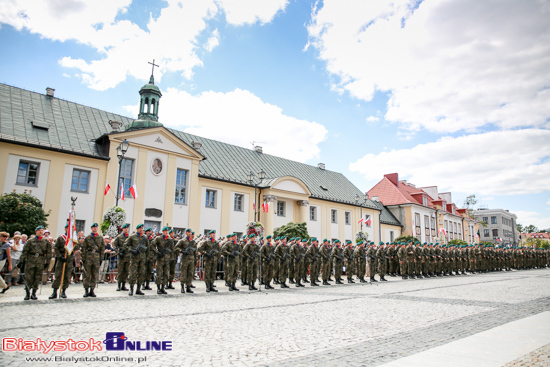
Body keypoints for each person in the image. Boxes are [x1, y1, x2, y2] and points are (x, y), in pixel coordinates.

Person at [17, 226, 51, 300]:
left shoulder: (46, 241)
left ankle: (34, 293)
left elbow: (48, 252)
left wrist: (47, 262)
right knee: (29, 277)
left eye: (42, 230)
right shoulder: (30, 241)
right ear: (36, 231)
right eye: (39, 230)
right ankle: (27, 293)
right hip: (31, 261)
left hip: (40, 261)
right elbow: (25, 251)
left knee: (37, 278)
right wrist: (21, 261)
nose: (40, 232)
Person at [49, 223, 78, 299]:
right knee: (58, 275)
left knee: (67, 275)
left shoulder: (73, 238)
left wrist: (75, 240)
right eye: (68, 228)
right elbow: (56, 248)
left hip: (69, 258)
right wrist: (59, 256)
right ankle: (54, 291)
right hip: (62, 257)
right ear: (65, 229)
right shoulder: (61, 237)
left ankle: (63, 291)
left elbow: (77, 247)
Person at [123, 224, 148, 296]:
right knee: (133, 273)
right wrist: (131, 250)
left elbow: (147, 248)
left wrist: (147, 258)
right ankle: (131, 289)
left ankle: (138, 289)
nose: (141, 230)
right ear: (137, 229)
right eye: (140, 228)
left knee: (141, 273)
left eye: (142, 228)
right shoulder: (132, 236)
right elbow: (125, 245)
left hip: (142, 258)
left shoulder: (145, 237)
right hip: (134, 258)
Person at [81, 223, 104, 297]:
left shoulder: (100, 237)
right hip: (88, 257)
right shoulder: (88, 237)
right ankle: (86, 290)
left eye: (96, 227)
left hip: (96, 258)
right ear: (91, 228)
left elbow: (102, 248)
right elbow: (83, 248)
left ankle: (92, 290)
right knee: (86, 274)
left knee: (95, 274)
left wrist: (101, 258)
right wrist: (83, 258)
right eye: (94, 227)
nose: (95, 228)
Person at [151, 226, 173, 295]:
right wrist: (157, 252)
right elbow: (152, 245)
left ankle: (163, 287)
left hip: (167, 259)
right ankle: (158, 288)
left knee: (166, 274)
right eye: (165, 231)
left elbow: (172, 250)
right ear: (163, 232)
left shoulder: (170, 240)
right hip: (160, 258)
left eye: (167, 231)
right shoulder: (158, 238)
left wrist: (171, 259)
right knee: (159, 274)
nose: (166, 232)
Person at [176, 229, 196, 293]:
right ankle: (182, 287)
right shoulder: (182, 241)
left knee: (190, 273)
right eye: (189, 232)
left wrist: (196, 259)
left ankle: (188, 287)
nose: (190, 233)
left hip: (191, 259)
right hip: (185, 259)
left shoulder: (193, 241)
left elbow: (195, 250)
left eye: (191, 232)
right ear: (186, 233)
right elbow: (176, 247)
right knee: (183, 273)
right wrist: (182, 251)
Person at [113, 224, 130, 291]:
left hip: (128, 256)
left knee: (126, 271)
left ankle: (124, 285)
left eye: (127, 228)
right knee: (120, 271)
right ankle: (119, 285)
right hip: (121, 256)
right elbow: (114, 245)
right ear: (122, 229)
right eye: (125, 228)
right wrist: (118, 252)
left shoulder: (130, 237)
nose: (126, 229)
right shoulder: (119, 237)